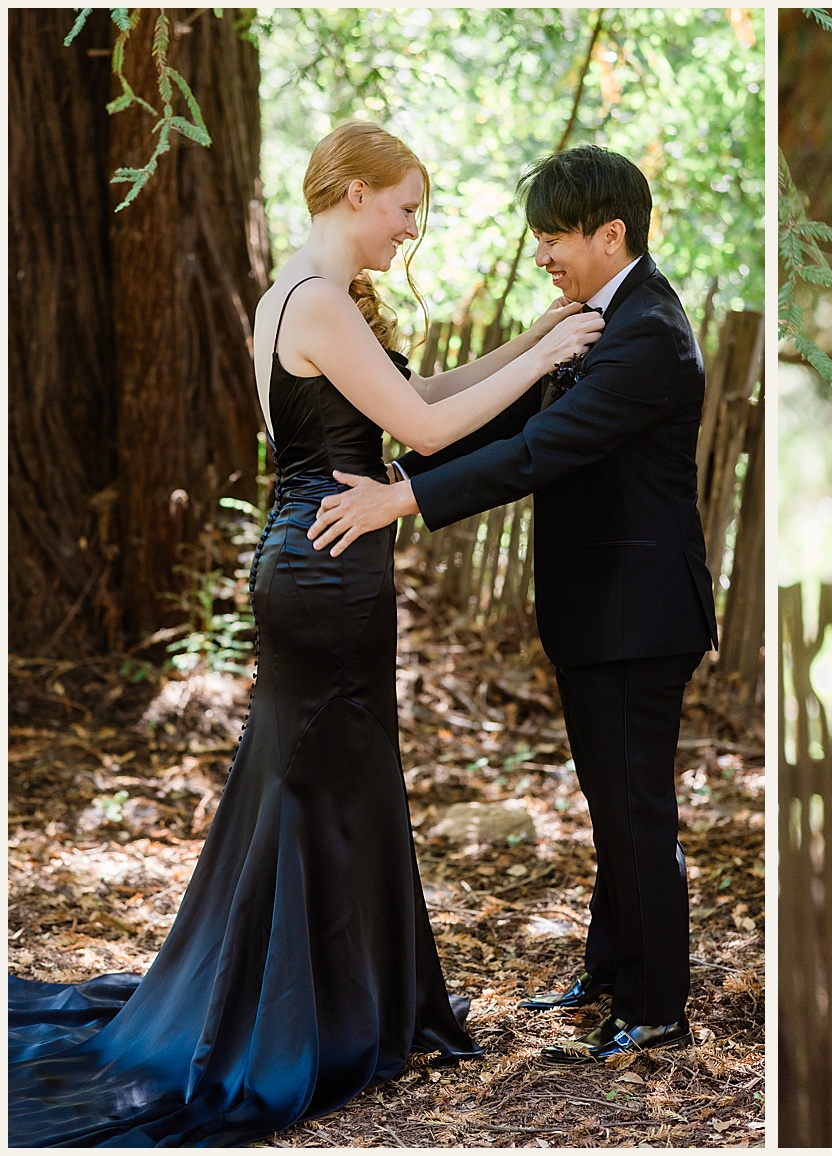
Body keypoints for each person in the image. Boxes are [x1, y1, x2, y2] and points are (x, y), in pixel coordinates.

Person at [5, 122, 605, 1147]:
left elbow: (410, 397)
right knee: (316, 784)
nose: (410, 229)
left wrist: (530, 341)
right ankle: (295, 1022)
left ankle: (345, 1005)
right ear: (354, 191)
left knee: (337, 782)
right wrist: (550, 350)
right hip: (324, 572)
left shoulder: (293, 298)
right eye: (404, 205)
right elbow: (420, 436)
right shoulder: (318, 302)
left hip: (321, 564)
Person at [309, 144, 718, 1063]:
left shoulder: (650, 331)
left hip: (639, 616)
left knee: (634, 806)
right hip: (600, 609)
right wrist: (402, 469)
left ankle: (655, 1004)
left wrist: (398, 502)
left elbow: (544, 452)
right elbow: (508, 420)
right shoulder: (594, 318)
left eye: (553, 238)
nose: (541, 255)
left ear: (611, 235)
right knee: (610, 797)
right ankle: (611, 970)